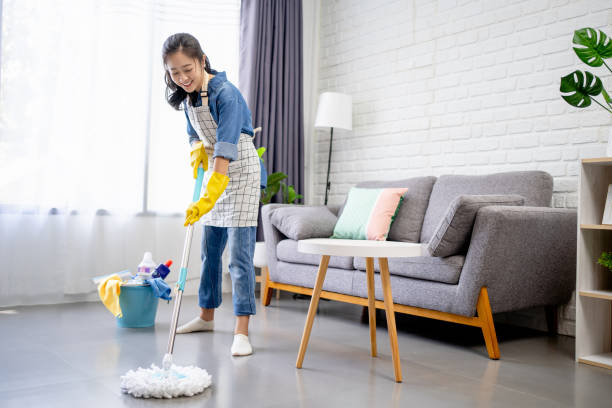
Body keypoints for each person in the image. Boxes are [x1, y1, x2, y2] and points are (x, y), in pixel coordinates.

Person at [162, 33, 261, 356]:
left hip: (240, 173)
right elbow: (194, 131)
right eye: (175, 72)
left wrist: (210, 192)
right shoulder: (188, 98)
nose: (182, 78)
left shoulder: (226, 93)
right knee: (210, 252)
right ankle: (206, 316)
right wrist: (195, 149)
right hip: (216, 172)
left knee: (239, 258)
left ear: (202, 60)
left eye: (187, 69)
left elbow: (226, 145)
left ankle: (242, 331)